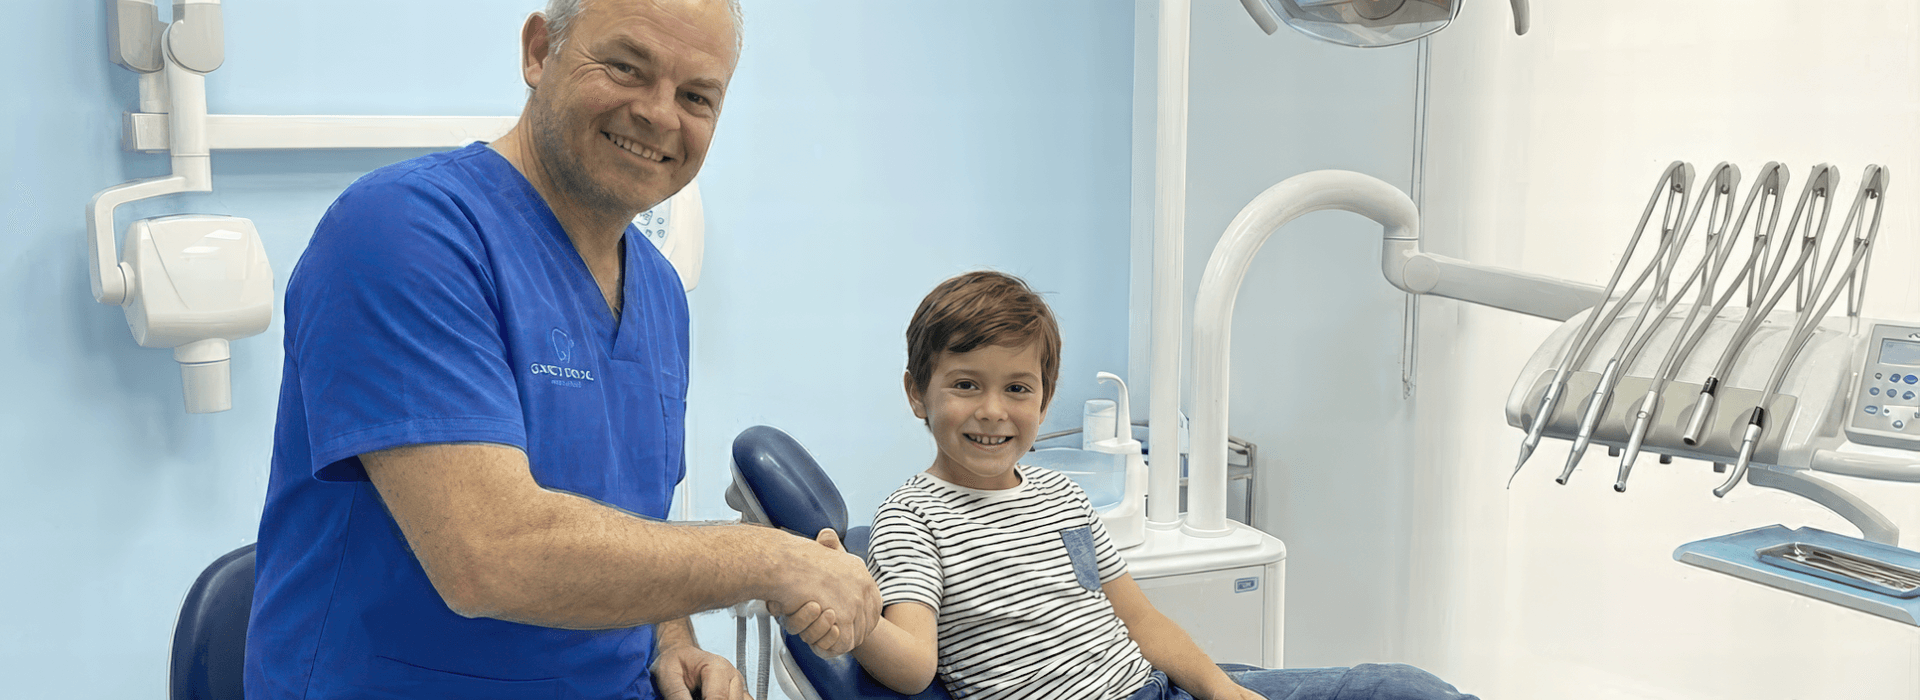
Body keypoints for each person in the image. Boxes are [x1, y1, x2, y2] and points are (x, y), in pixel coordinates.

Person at [245, 1, 878, 698]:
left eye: (696, 95)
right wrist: (775, 562)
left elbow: (629, 524)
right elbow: (487, 555)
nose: (661, 115)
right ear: (539, 52)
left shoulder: (660, 293)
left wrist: (673, 640)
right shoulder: (403, 233)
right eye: (626, 68)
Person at [831, 270, 1479, 700]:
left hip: (1154, 689)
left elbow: (1136, 618)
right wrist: (854, 617)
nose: (993, 410)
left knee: (1398, 687)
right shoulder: (912, 518)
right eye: (966, 384)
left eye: (1017, 388)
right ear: (918, 393)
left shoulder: (1061, 498)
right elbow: (915, 663)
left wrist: (1226, 693)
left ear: (1045, 398)